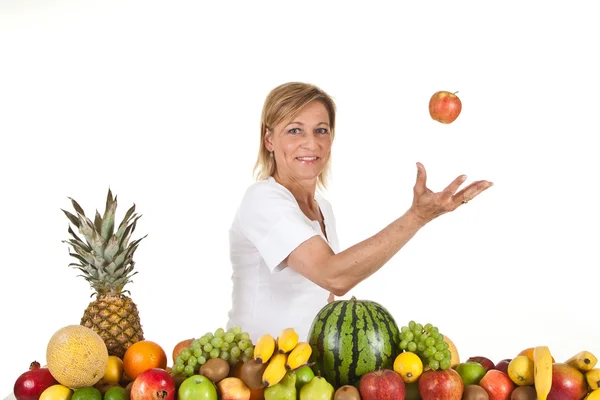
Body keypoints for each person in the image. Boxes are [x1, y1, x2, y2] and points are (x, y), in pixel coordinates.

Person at [225, 82, 493, 343]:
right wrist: (417, 217)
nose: (311, 143)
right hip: (255, 375)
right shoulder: (262, 200)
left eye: (321, 130)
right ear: (269, 140)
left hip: (306, 375)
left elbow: (325, 299)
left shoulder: (323, 210)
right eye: (295, 131)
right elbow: (334, 276)